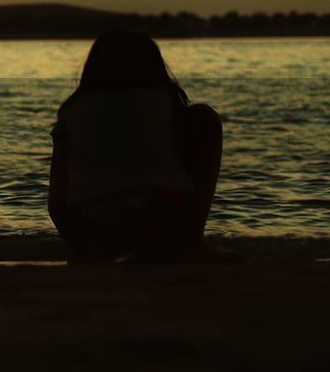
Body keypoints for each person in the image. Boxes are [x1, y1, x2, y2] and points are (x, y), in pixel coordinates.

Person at [47, 29, 227, 263]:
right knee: (205, 118)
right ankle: (192, 243)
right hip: (158, 219)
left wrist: (81, 245)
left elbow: (56, 203)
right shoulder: (166, 103)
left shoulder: (72, 113)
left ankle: (100, 252)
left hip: (94, 228)